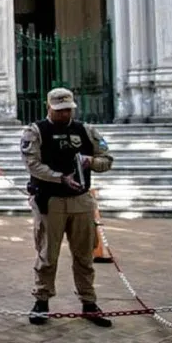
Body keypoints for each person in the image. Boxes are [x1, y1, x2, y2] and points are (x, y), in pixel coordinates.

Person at [21, 88, 114, 328]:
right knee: (47, 255)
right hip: (50, 201)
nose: (64, 114)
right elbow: (33, 165)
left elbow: (107, 160)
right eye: (59, 110)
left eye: (68, 110)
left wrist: (90, 161)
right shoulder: (35, 131)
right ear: (48, 107)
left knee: (84, 255)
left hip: (81, 201)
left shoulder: (86, 130)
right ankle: (41, 301)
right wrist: (59, 177)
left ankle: (89, 302)